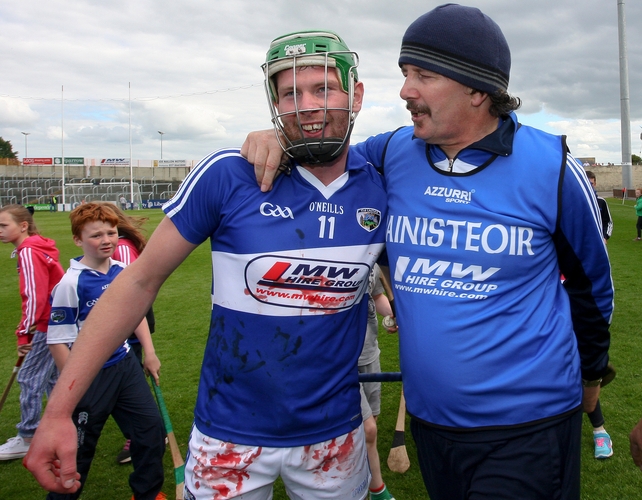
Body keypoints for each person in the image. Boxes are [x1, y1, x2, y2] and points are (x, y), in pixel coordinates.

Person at [242, 5, 614, 499]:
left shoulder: (552, 165)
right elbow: (323, 156)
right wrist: (274, 138)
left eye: (422, 75)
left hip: (529, 424)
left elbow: (592, 288)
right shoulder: (390, 152)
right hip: (431, 423)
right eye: (404, 73)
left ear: (477, 89)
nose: (405, 91)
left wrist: (591, 377)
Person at [24, 30, 387, 500]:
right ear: (274, 103)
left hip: (336, 434)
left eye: (324, 89)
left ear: (355, 94)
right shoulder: (228, 173)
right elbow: (137, 282)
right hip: (228, 433)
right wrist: (58, 411)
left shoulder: (381, 185)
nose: (307, 106)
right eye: (291, 93)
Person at [45, 202, 166, 500]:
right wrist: (74, 385)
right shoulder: (70, 283)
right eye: (96, 235)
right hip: (89, 375)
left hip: (125, 367)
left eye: (110, 233)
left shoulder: (123, 271)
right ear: (78, 240)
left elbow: (133, 314)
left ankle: (147, 494)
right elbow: (57, 340)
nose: (106, 240)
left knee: (151, 432)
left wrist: (148, 352)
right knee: (78, 450)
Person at [0, 205, 64, 461]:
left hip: (48, 324)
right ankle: (60, 429)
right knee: (53, 380)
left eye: (4, 225)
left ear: (23, 225)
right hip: (58, 321)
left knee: (29, 378)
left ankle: (28, 436)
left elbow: (34, 296)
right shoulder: (37, 246)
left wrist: (23, 334)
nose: (0, 231)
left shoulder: (28, 250)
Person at [109, 203, 158, 465]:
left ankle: (144, 433)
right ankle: (143, 431)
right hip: (119, 326)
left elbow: (132, 293)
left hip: (129, 326)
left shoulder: (123, 248)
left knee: (127, 384)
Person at [359, 264, 397, 500]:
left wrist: (391, 314)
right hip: (342, 360)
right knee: (368, 429)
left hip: (370, 354)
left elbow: (377, 295)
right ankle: (377, 489)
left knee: (372, 421)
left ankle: (361, 479)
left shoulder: (370, 260)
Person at [586, 171, 613, 244]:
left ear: (595, 184)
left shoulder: (601, 202)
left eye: (591, 184)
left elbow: (608, 222)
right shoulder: (576, 202)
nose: (589, 186)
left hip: (598, 242)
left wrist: (605, 236)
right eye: (586, 183)